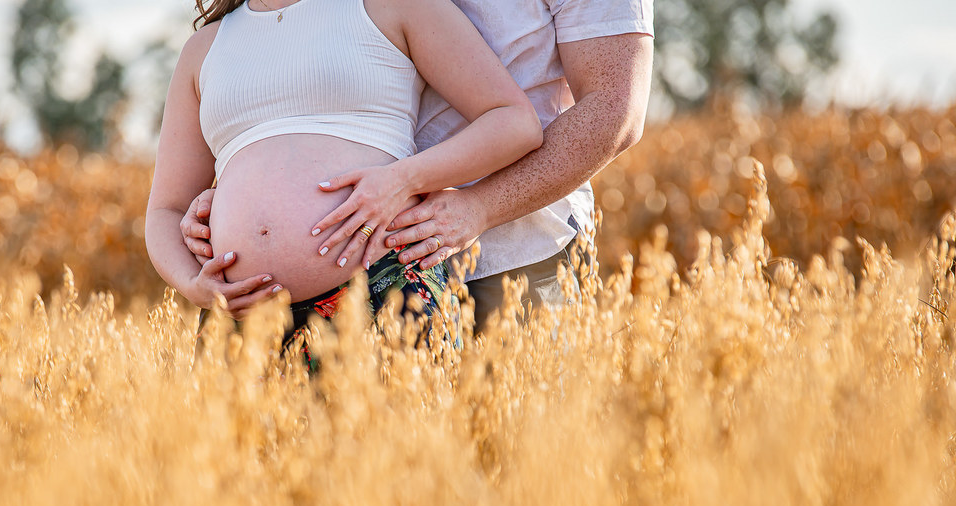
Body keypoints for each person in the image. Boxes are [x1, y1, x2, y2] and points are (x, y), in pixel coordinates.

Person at [180, 0, 655, 333]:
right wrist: (231, 198)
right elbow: (306, 80)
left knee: (512, 455)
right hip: (376, 263)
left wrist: (478, 207)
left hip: (515, 251)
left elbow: (615, 109)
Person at [144, 0, 543, 355]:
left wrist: (404, 180)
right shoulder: (204, 48)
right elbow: (166, 208)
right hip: (240, 323)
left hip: (384, 286)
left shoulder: (393, 6)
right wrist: (192, 285)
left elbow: (513, 122)